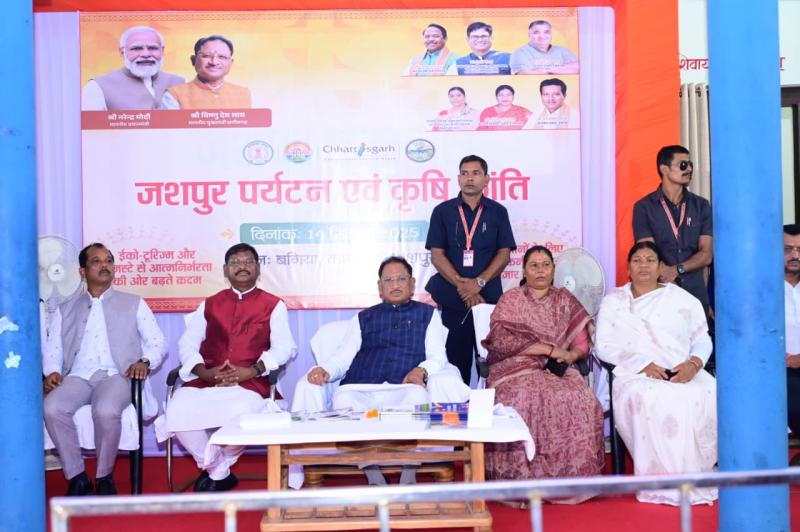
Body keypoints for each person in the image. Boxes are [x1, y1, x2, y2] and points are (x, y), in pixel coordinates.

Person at [293, 256, 469, 485]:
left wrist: (421, 370)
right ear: (380, 286)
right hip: (360, 386)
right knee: (344, 401)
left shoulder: (428, 315)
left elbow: (437, 356)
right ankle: (373, 475)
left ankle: (408, 474)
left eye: (401, 279)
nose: (395, 285)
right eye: (388, 280)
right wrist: (325, 369)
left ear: (412, 283)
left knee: (418, 399)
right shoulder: (363, 318)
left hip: (404, 386)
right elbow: (343, 356)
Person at [156, 243, 296, 492]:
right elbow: (187, 343)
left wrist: (253, 370)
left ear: (258, 268)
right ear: (225, 270)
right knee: (177, 410)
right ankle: (218, 470)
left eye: (248, 262)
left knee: (244, 413)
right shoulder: (209, 304)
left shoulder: (273, 304)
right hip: (207, 379)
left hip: (250, 382)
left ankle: (218, 470)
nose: (242, 267)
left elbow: (285, 348)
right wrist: (203, 371)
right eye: (235, 262)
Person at [595, 241, 717, 506]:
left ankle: (697, 472)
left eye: (650, 260)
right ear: (628, 267)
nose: (644, 265)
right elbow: (602, 346)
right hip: (635, 374)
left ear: (661, 266)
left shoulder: (683, 300)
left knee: (709, 390)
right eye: (637, 260)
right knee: (657, 397)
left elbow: (702, 340)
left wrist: (694, 364)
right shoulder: (615, 302)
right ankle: (663, 480)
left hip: (682, 368)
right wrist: (642, 364)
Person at [43, 243, 167, 496]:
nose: (105, 266)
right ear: (82, 271)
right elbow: (53, 347)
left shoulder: (133, 303)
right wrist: (52, 371)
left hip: (117, 375)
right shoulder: (66, 308)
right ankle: (77, 477)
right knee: (52, 407)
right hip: (77, 375)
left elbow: (158, 342)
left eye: (109, 261)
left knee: (106, 410)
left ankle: (103, 477)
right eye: (96, 261)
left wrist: (144, 362)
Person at [482, 246, 604, 496]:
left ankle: (571, 478)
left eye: (546, 265)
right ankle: (519, 480)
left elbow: (581, 343)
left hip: (555, 369)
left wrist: (570, 355)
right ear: (524, 271)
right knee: (521, 397)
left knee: (581, 399)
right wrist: (548, 349)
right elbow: (500, 340)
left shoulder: (565, 300)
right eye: (534, 265)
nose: (540, 270)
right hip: (513, 367)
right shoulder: (512, 299)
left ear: (554, 270)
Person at [425, 155, 516, 384]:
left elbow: (504, 254)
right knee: (456, 363)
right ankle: (459, 406)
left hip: (488, 298)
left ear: (486, 179)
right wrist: (464, 287)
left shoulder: (498, 212)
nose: (469, 178)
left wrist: (479, 283)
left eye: (475, 173)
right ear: (458, 179)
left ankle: (491, 406)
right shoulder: (442, 211)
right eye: (464, 173)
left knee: (491, 361)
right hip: (453, 298)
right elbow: (437, 255)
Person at [632, 145, 713, 311]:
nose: (689, 169)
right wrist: (668, 278)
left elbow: (706, 254)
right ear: (664, 169)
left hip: (696, 298)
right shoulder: (644, 207)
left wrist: (678, 269)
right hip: (660, 295)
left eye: (690, 164)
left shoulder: (701, 206)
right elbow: (647, 254)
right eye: (683, 165)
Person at [82, 26, 185, 111]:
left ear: (162, 51)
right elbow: (90, 128)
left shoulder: (180, 83)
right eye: (136, 48)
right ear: (122, 52)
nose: (146, 54)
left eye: (152, 48)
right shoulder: (97, 87)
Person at [162, 35, 251, 109]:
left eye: (222, 57)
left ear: (231, 63)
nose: (214, 62)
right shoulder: (174, 95)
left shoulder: (244, 94)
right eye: (206, 56)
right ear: (193, 60)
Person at [510, 20, 579, 75]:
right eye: (536, 32)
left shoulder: (562, 51)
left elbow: (578, 68)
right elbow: (525, 74)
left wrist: (545, 70)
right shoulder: (520, 53)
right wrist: (562, 69)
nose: (542, 36)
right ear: (529, 34)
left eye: (546, 32)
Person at [782, 225, 800, 437]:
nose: (795, 255)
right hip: (780, 369)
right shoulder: (764, 289)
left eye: (799, 249)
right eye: (788, 249)